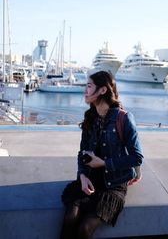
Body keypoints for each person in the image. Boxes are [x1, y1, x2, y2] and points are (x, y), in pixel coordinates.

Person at [60, 70, 143, 239]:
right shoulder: (90, 117)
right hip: (90, 180)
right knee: (70, 218)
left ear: (103, 90)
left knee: (85, 228)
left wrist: (104, 163)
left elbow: (137, 157)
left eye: (89, 86)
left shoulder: (124, 118)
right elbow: (82, 152)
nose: (85, 91)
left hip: (113, 186)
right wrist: (82, 176)